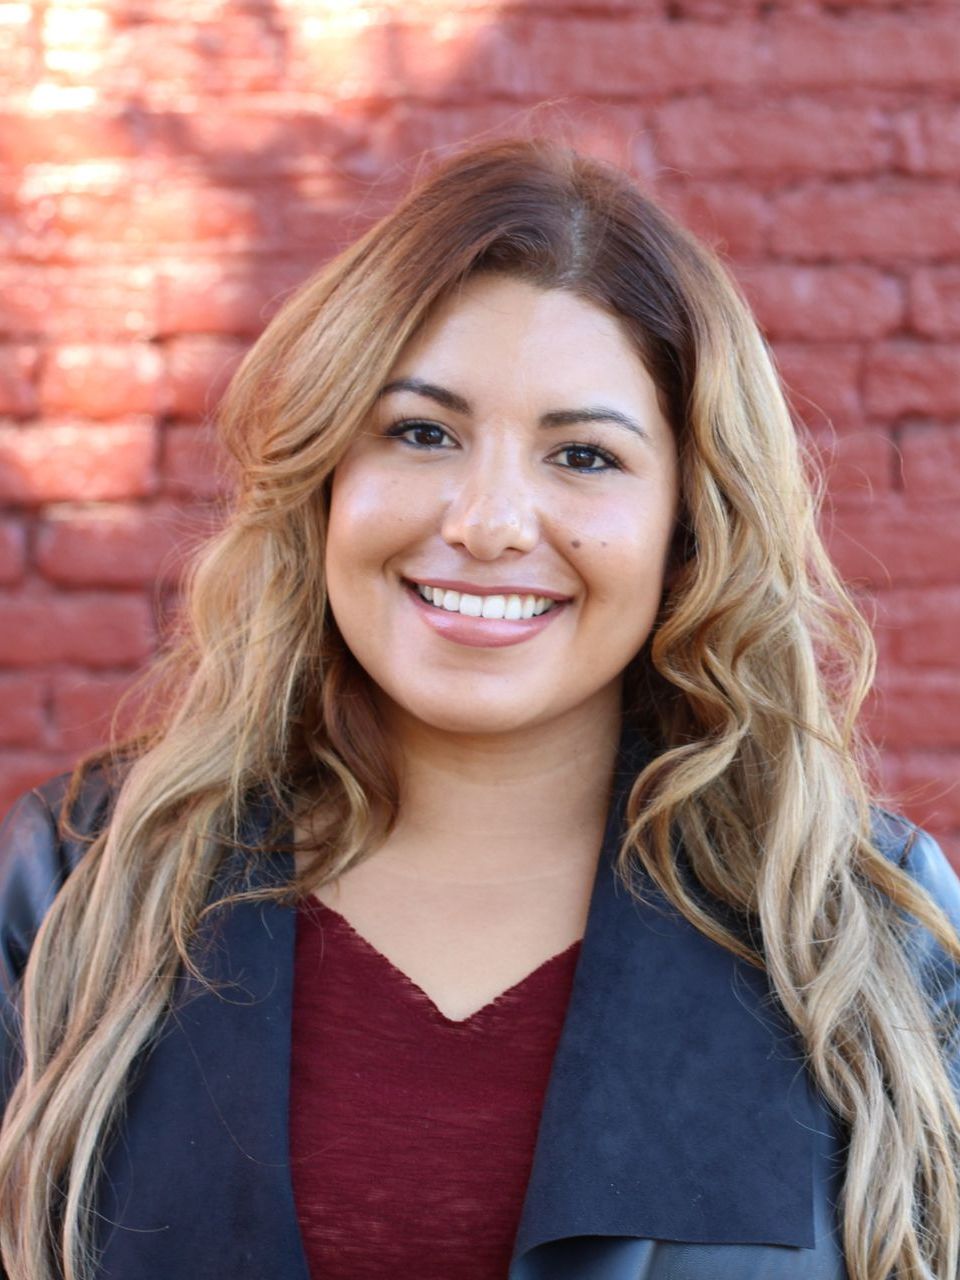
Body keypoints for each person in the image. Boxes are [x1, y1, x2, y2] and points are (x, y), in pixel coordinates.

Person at [0, 137, 958, 1280]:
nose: (490, 518)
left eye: (585, 457)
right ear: (325, 478)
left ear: (686, 526)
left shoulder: (861, 935)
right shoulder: (78, 891)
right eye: (421, 431)